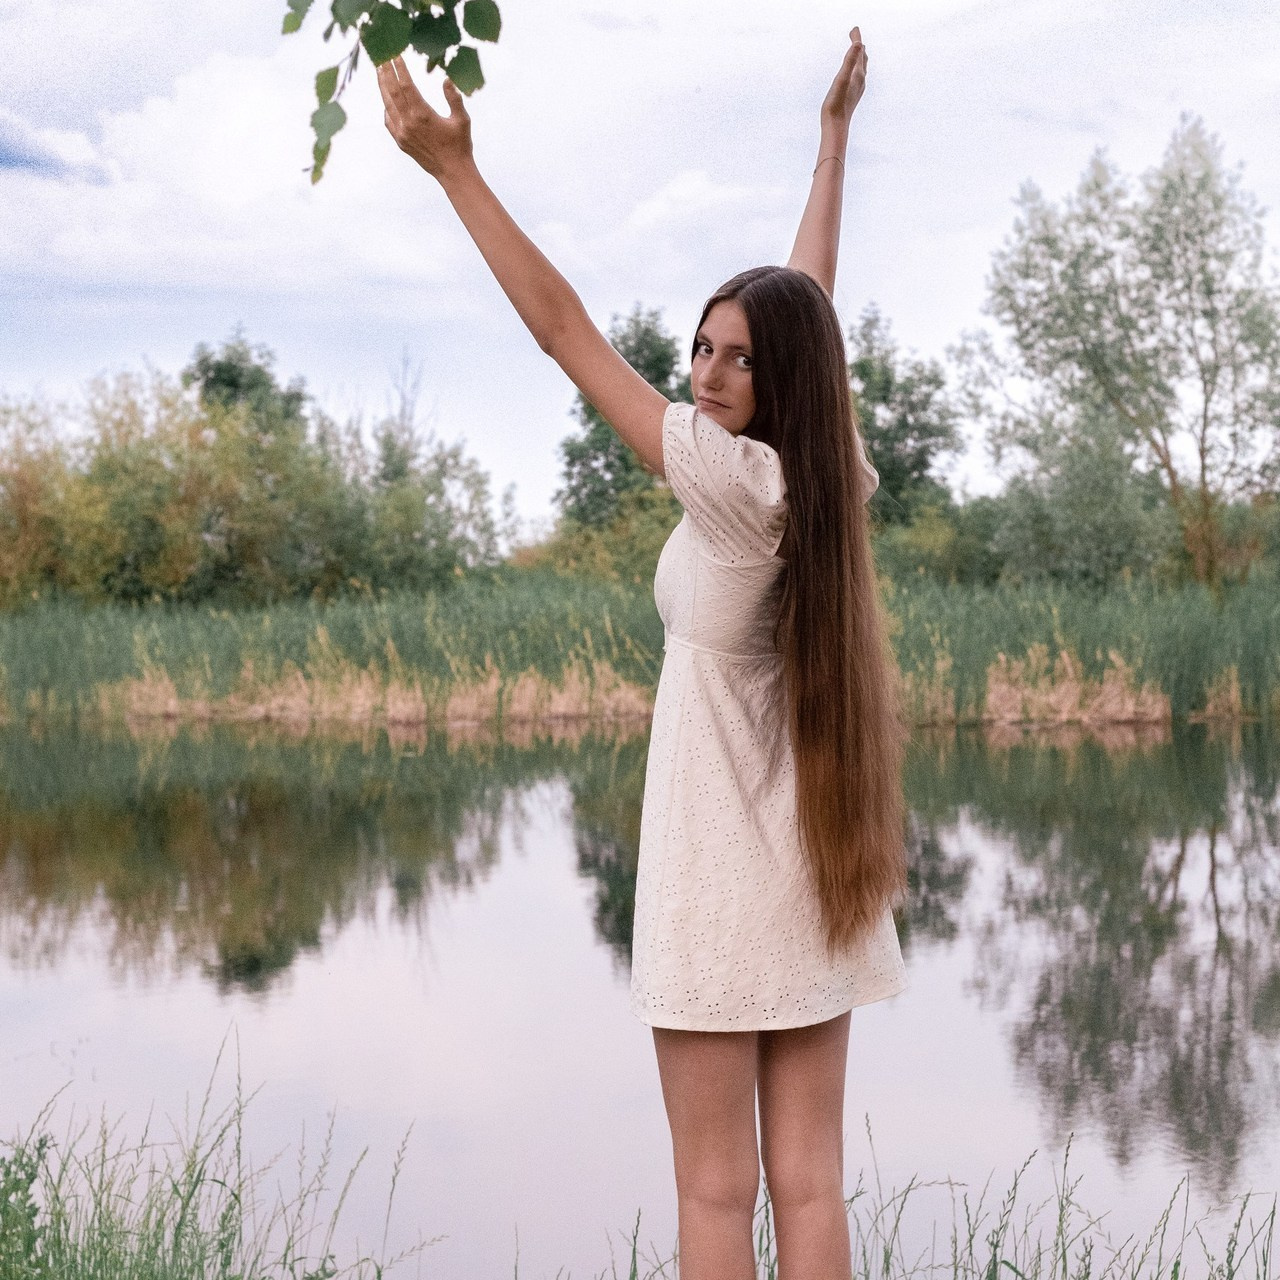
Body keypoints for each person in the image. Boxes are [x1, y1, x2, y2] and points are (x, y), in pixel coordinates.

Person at [377, 24, 907, 1279]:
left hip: (719, 880)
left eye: (737, 358)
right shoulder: (828, 478)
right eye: (702, 347)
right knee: (814, 1188)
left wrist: (455, 173)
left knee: (718, 1197)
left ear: (780, 384)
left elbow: (563, 331)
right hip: (818, 866)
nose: (710, 371)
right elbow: (808, 313)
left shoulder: (726, 483)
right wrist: (829, 146)